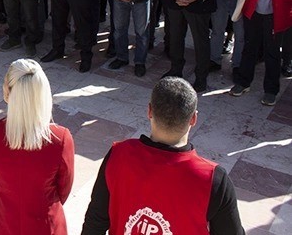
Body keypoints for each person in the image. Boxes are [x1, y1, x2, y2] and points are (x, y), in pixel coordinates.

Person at [82, 77, 244, 235]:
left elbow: (95, 221)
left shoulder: (118, 154)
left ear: (150, 111)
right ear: (193, 118)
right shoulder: (213, 179)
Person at [0, 59, 74, 235]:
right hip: (45, 226)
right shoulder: (61, 139)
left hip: (0, 224)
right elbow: (63, 189)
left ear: (7, 91)